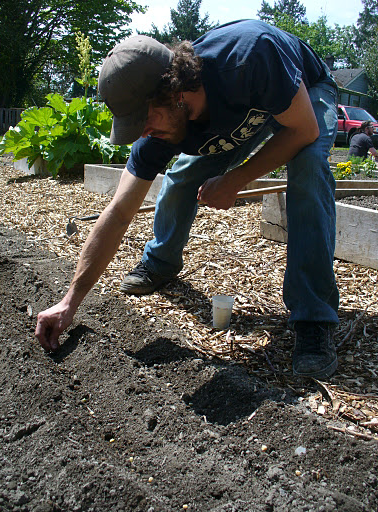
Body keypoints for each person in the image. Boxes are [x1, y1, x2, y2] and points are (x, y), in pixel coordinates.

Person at [35, 20, 340, 380]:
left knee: (308, 167)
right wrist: (70, 303)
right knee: (180, 178)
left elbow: (304, 130)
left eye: (145, 119)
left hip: (301, 92)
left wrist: (237, 179)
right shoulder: (160, 130)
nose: (144, 133)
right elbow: (118, 213)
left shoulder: (249, 58)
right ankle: (161, 262)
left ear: (175, 92)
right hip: (236, 117)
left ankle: (313, 319)